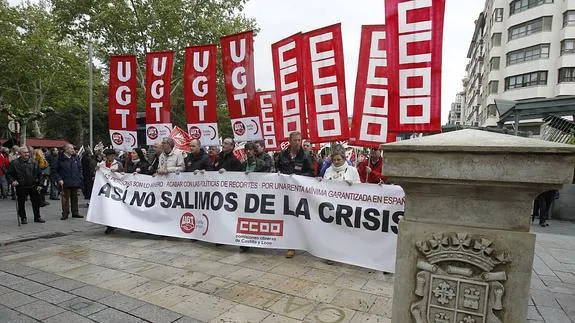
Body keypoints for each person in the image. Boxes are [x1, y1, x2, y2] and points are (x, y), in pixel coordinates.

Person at [276, 131, 313, 258]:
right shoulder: (282, 155)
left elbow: (310, 173)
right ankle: (291, 245)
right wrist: (279, 175)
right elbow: (276, 170)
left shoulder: (305, 156)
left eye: (299, 140)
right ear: (290, 141)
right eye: (295, 140)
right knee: (288, 218)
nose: (298, 142)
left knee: (299, 218)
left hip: (299, 193)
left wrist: (298, 177)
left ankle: (303, 242)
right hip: (285, 192)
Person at [7, 147, 45, 224]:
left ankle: (37, 217)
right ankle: (23, 217)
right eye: (24, 152)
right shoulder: (14, 163)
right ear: (20, 153)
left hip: (33, 185)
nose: (27, 154)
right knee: (21, 203)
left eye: (27, 152)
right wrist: (13, 181)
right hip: (21, 186)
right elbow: (9, 174)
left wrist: (40, 184)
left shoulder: (34, 162)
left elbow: (40, 174)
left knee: (36, 202)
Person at [51, 144, 84, 220]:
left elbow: (80, 168)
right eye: (71, 148)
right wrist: (59, 179)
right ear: (66, 149)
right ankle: (65, 213)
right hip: (64, 182)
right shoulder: (59, 159)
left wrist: (79, 176)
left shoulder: (75, 157)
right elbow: (54, 170)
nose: (73, 150)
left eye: (73, 148)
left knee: (75, 198)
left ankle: (75, 212)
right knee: (65, 199)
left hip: (75, 181)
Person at [97, 148, 124, 234]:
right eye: (107, 156)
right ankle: (109, 225)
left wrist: (117, 171)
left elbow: (123, 174)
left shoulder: (118, 164)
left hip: (116, 188)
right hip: (106, 188)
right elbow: (97, 173)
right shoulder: (102, 164)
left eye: (110, 156)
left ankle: (114, 223)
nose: (109, 157)